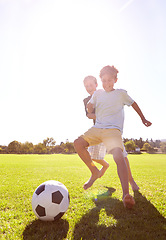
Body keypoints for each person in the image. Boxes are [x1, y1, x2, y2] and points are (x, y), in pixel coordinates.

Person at [74, 65, 152, 208]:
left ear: (115, 80)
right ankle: (94, 172)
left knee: (119, 155)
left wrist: (143, 118)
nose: (107, 83)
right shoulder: (97, 94)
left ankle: (126, 194)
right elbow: (89, 107)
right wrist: (89, 108)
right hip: (97, 129)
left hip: (112, 131)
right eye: (104, 80)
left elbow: (134, 104)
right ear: (101, 81)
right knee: (78, 143)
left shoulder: (121, 93)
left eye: (109, 80)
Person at [83, 75, 139, 190]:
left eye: (91, 85)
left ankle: (131, 180)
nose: (89, 87)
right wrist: (101, 115)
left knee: (122, 156)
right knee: (91, 155)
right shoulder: (87, 100)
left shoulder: (106, 94)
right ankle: (104, 165)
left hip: (112, 131)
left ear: (96, 84)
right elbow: (88, 115)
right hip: (97, 130)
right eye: (86, 86)